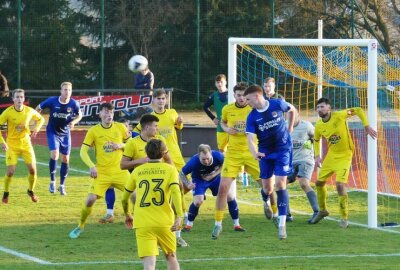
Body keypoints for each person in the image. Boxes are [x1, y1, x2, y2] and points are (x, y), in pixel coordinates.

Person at [309, 97, 377, 228]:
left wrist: (366, 126)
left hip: (345, 154)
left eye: (322, 107)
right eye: (318, 107)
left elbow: (357, 110)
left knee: (340, 184)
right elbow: (316, 140)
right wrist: (317, 155)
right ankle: (322, 211)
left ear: (329, 108)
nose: (319, 109)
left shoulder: (339, 116)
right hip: (331, 155)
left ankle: (344, 217)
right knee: (319, 182)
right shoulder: (318, 125)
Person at [68, 103, 131, 239]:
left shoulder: (120, 127)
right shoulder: (94, 131)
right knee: (90, 200)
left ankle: (130, 217)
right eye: (106, 112)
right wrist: (91, 166)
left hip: (120, 170)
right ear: (100, 114)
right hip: (102, 172)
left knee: (136, 196)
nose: (109, 115)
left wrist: (121, 145)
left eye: (111, 112)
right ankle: (80, 226)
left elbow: (132, 145)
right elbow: (83, 151)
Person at [121, 139, 182, 270]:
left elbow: (124, 198)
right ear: (164, 153)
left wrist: (128, 214)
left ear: (146, 153)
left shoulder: (138, 171)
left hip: (143, 223)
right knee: (171, 257)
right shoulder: (170, 170)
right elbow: (176, 193)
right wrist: (180, 216)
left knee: (149, 264)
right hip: (165, 222)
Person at [245, 84, 296, 240]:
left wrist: (290, 127)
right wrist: (255, 152)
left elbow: (292, 109)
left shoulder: (276, 104)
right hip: (265, 154)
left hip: (283, 150)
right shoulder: (252, 116)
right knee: (267, 189)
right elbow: (249, 138)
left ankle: (282, 225)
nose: (246, 102)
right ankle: (265, 199)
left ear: (256, 96)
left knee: (281, 184)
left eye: (248, 99)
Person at [211, 82, 259, 239]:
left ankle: (272, 208)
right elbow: (222, 122)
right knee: (223, 188)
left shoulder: (253, 108)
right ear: (234, 95)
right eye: (238, 95)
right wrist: (226, 129)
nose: (241, 98)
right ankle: (218, 224)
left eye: (244, 95)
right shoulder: (227, 109)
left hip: (252, 151)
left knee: (266, 185)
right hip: (233, 154)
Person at [180, 144, 244, 233]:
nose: (206, 161)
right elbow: (182, 173)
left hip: (216, 178)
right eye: (203, 159)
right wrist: (187, 183)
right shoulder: (193, 162)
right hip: (199, 180)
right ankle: (188, 225)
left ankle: (237, 225)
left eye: (208, 158)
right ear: (199, 155)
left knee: (229, 196)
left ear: (211, 153)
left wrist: (214, 174)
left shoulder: (218, 156)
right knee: (198, 201)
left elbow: (225, 165)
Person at [36, 82, 82, 195]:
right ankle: (52, 181)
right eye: (65, 90)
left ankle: (62, 185)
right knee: (55, 154)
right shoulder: (52, 100)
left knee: (66, 159)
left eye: (69, 90)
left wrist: (74, 122)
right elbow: (38, 108)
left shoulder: (74, 103)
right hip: (52, 131)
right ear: (61, 91)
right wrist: (36, 119)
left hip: (65, 134)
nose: (67, 92)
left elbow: (79, 115)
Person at [0, 89, 45, 204]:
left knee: (33, 171)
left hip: (26, 144)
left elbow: (41, 119)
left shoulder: (29, 111)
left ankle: (31, 191)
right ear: (13, 99)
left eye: (21, 97)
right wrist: (2, 142)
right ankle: (6, 192)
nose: (19, 99)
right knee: (10, 172)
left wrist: (36, 129)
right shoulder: (8, 112)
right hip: (12, 145)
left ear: (24, 99)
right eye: (17, 97)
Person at [100, 118, 139, 224]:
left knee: (134, 192)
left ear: (129, 127)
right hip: (120, 166)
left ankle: (139, 214)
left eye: (126, 126)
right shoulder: (113, 136)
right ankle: (110, 214)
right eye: (122, 126)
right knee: (110, 185)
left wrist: (121, 145)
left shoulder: (135, 136)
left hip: (134, 166)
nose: (124, 128)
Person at [286, 108, 319, 222]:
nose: (290, 117)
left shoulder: (307, 126)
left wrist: (314, 153)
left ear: (298, 114)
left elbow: (316, 138)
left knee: (304, 183)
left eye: (293, 114)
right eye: (288, 115)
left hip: (305, 159)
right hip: (290, 161)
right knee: (281, 184)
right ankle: (286, 214)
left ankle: (317, 211)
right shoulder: (284, 126)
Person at [203, 74, 228, 152]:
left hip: (232, 126)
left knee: (234, 149)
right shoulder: (214, 95)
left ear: (226, 82)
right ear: (215, 84)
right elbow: (205, 106)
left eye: (221, 82)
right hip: (221, 127)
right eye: (217, 82)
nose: (219, 84)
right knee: (222, 150)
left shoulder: (233, 94)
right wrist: (213, 118)